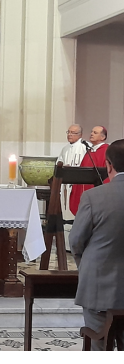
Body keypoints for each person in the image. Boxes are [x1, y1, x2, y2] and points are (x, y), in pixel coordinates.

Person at [69, 139, 124, 351]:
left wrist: (86, 265)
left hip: (99, 287)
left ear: (108, 165)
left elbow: (76, 241)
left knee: (99, 346)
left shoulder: (94, 196)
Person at [69, 125, 109, 216]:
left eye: (95, 133)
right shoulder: (90, 151)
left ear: (103, 137)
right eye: (91, 132)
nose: (91, 134)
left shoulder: (106, 151)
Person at [56, 124, 87, 221]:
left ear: (80, 135)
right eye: (68, 132)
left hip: (78, 182)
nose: (69, 135)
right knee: (65, 208)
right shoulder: (65, 148)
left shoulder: (85, 147)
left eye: (73, 133)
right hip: (65, 183)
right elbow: (58, 163)